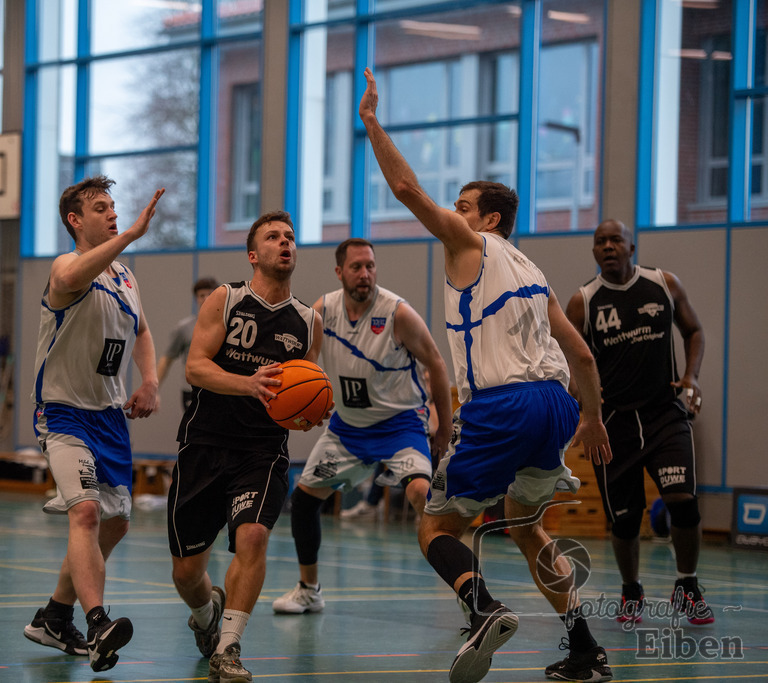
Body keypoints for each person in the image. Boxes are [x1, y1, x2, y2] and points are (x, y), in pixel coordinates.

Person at [359, 68, 614, 683]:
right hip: (555, 406)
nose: (454, 213)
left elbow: (405, 188)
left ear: (490, 220)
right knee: (528, 529)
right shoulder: (535, 272)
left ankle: (482, 608)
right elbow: (582, 357)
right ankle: (584, 649)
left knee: (435, 526)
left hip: (503, 408)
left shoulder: (470, 245)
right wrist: (592, 417)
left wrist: (371, 122)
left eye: (466, 207)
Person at [167, 210, 324, 683]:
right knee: (187, 572)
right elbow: (196, 367)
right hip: (205, 444)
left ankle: (229, 648)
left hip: (262, 450)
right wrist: (248, 382)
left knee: (252, 537)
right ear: (254, 255)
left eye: (291, 237)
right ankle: (205, 615)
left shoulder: (308, 321)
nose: (285, 243)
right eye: (274, 237)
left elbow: (305, 386)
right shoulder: (227, 299)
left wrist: (312, 410)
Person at [23, 176, 164, 673]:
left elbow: (142, 331)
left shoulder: (125, 277)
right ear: (75, 221)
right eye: (99, 208)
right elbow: (69, 279)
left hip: (109, 418)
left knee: (115, 522)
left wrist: (148, 381)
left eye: (113, 207)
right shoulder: (67, 267)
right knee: (84, 514)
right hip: (63, 413)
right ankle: (97, 621)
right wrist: (130, 235)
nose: (112, 213)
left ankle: (55, 617)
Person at [272, 237, 453, 614]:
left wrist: (444, 429)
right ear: (339, 272)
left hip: (400, 425)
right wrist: (312, 402)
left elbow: (436, 363)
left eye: (370, 265)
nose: (365, 273)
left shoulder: (398, 313)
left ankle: (466, 587)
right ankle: (309, 589)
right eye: (356, 266)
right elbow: (308, 366)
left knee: (424, 496)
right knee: (304, 501)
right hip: (348, 429)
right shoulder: (323, 310)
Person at [566, 219, 711, 626]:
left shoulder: (664, 284)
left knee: (683, 500)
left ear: (632, 247)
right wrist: (578, 401)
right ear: (593, 251)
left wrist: (691, 378)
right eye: (600, 242)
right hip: (614, 424)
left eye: (616, 240)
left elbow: (695, 330)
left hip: (665, 413)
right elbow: (568, 359)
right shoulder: (584, 301)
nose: (608, 246)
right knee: (625, 518)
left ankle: (688, 584)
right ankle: (631, 590)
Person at [156, 277, 219, 411]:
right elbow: (167, 359)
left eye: (210, 294)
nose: (206, 299)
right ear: (196, 299)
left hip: (218, 389)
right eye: (202, 295)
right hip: (191, 390)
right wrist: (153, 391)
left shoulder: (227, 326)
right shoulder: (185, 328)